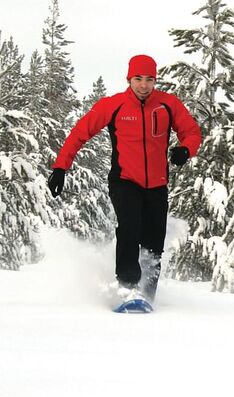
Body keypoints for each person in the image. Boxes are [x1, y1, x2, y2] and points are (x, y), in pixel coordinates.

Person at [47, 54, 202, 302]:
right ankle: (127, 289)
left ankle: (147, 296)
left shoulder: (167, 105)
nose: (144, 85)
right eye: (138, 79)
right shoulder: (114, 105)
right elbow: (79, 133)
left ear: (155, 80)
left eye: (149, 79)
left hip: (157, 184)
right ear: (129, 79)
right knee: (130, 228)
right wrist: (60, 168)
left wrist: (186, 150)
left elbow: (192, 132)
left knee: (153, 242)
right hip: (124, 180)